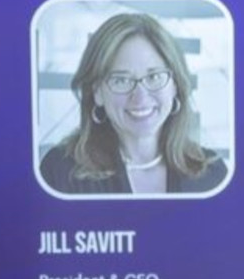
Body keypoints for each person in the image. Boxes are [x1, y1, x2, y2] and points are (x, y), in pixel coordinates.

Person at [39, 12, 227, 195]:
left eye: (154, 77)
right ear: (97, 92)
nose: (140, 97)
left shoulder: (213, 175)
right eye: (121, 80)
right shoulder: (59, 173)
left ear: (175, 85)